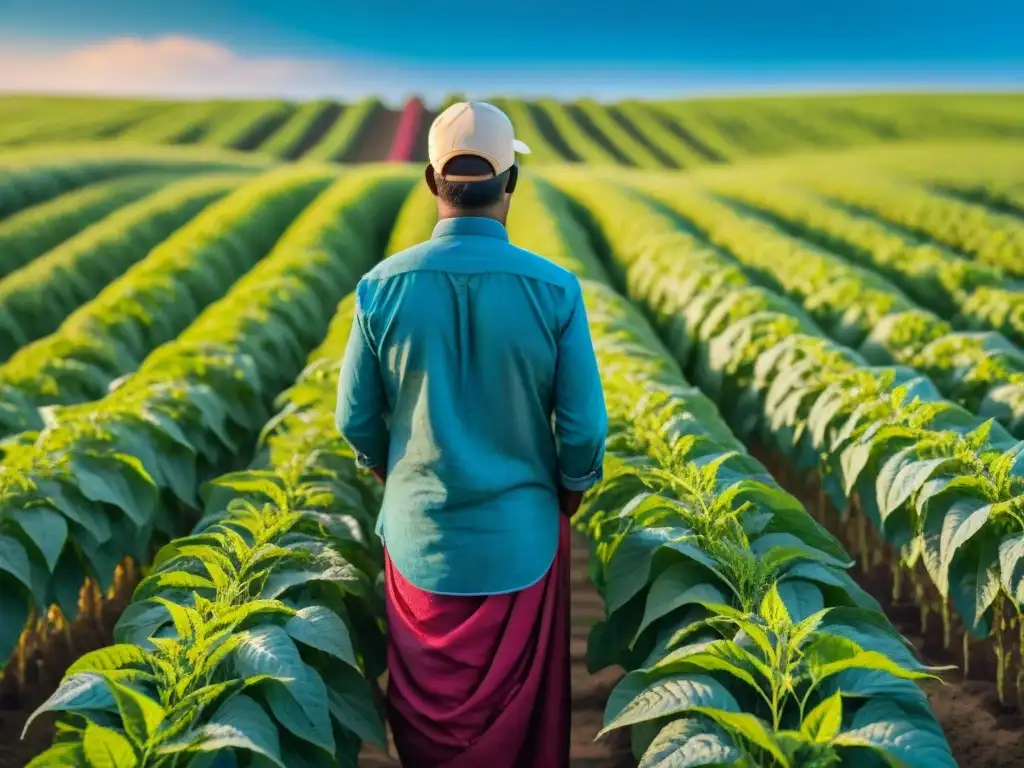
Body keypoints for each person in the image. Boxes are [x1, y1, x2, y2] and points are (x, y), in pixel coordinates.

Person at [335, 101, 608, 768]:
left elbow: (354, 418)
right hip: (523, 542)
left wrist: (388, 471)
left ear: (431, 184)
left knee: (431, 724)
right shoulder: (555, 290)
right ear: (511, 184)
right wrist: (569, 490)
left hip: (420, 538)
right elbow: (584, 428)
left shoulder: (380, 287)